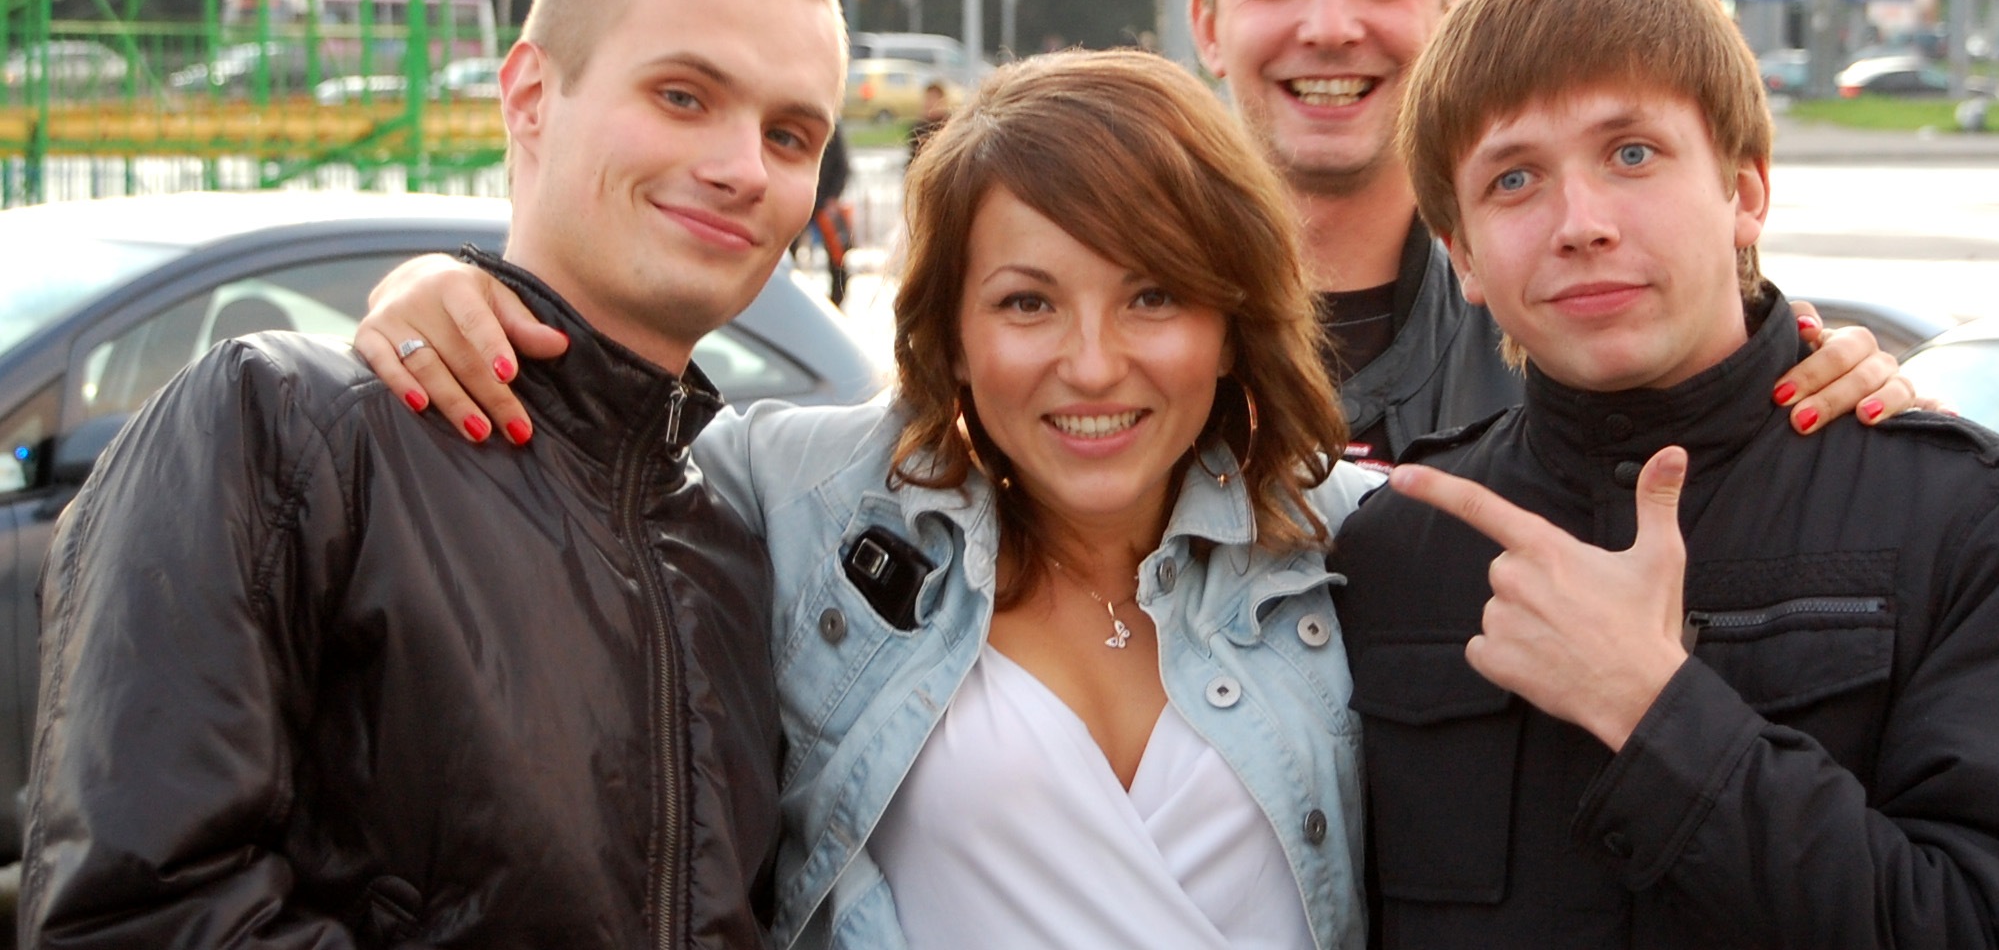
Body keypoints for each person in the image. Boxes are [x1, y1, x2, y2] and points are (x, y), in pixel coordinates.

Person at [358, 48, 1374, 948]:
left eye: (1152, 296)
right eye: (1027, 302)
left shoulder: (1347, 543)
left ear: (1231, 324)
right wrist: (444, 288)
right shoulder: (809, 498)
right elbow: (595, 439)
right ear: (953, 336)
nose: (1094, 363)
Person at [20, 0, 847, 947]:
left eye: (789, 135)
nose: (743, 169)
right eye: (683, 96)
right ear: (531, 96)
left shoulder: (737, 542)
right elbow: (136, 916)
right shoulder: (284, 430)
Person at [1332, 0, 1999, 946]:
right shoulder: (1389, 552)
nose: (1580, 224)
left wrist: (1653, 710)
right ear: (1461, 255)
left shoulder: (1977, 526)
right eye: (1513, 178)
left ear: (1744, 191)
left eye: (1631, 154)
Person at [1183, 0, 1914, 464]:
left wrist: (1841, 420)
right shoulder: (1127, 322)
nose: (1329, 27)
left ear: (1453, 15)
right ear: (1208, 26)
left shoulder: (1591, 310)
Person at [810, 126, 854, 305]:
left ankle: (838, 294)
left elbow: (842, 167)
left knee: (835, 252)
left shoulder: (833, 131)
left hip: (823, 201)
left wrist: (832, 197)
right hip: (811, 196)